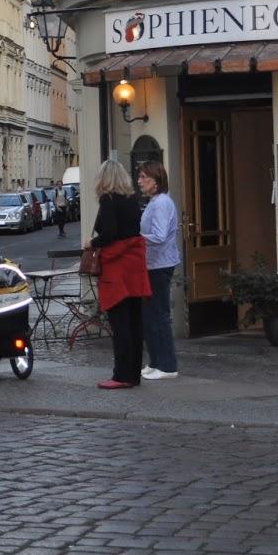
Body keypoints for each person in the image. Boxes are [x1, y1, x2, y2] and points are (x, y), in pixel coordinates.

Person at [83, 159, 150, 389]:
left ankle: (121, 375)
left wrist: (92, 242)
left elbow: (110, 232)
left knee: (120, 323)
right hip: (134, 264)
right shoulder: (132, 199)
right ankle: (133, 374)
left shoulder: (108, 199)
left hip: (117, 265)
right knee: (134, 322)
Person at [136, 161, 179, 380]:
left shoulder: (162, 203)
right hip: (152, 264)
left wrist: (136, 240)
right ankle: (155, 361)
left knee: (159, 315)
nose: (140, 181)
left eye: (144, 177)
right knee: (149, 316)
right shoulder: (155, 201)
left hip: (160, 265)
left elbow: (160, 236)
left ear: (156, 180)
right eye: (140, 177)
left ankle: (168, 366)